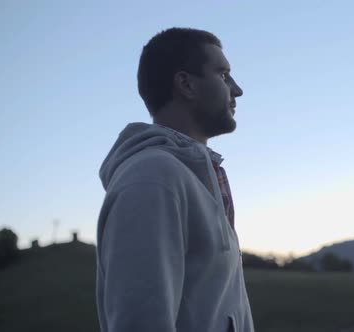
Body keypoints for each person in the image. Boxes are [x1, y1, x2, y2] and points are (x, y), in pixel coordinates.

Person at [95, 27, 254, 332]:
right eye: (223, 75)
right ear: (185, 84)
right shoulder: (152, 178)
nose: (237, 90)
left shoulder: (189, 177)